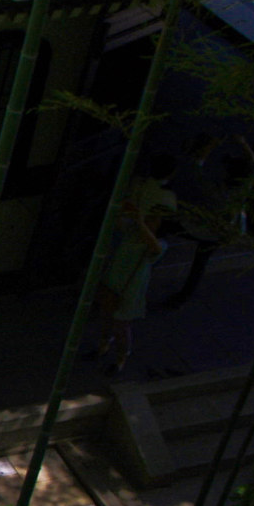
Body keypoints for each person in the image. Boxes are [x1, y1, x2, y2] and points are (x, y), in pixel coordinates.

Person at [92, 154, 177, 374]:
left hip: (131, 285)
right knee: (106, 315)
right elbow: (119, 221)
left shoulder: (157, 243)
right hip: (115, 278)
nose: (150, 221)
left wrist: (139, 220)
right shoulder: (132, 233)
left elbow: (155, 248)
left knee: (122, 324)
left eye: (154, 220)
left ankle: (121, 356)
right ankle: (103, 344)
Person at [156, 132, 254, 310]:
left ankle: (153, 253)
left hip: (211, 230)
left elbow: (197, 169)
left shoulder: (217, 192)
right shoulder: (244, 186)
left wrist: (210, 147)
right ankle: (182, 298)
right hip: (229, 230)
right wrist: (243, 144)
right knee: (200, 261)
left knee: (168, 226)